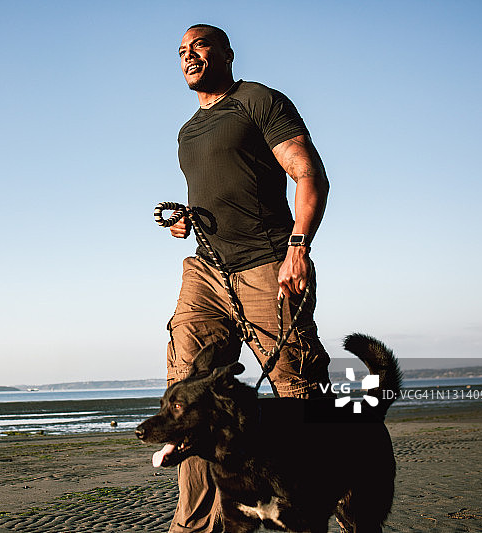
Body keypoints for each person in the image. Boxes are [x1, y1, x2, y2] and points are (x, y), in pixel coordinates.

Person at [165, 24, 333, 533]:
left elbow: (308, 174)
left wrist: (298, 247)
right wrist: (186, 220)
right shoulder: (186, 132)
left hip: (266, 261)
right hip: (206, 268)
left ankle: (311, 508)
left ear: (226, 53)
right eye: (180, 52)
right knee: (186, 397)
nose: (189, 56)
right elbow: (222, 191)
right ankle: (197, 526)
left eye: (200, 46)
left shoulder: (256, 101)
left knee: (296, 387)